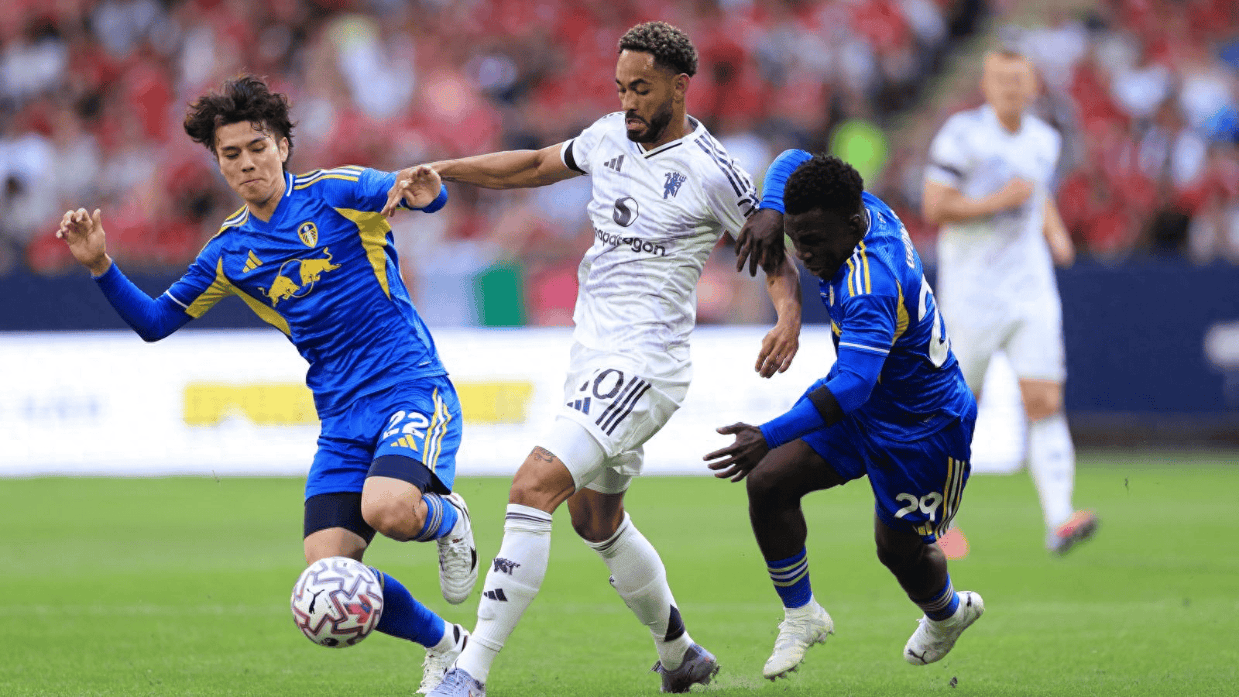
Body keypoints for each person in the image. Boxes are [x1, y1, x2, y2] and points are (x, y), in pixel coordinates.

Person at [412, 21, 802, 697]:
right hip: (591, 355)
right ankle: (679, 653)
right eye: (621, 87)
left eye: (641, 89)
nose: (627, 102)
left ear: (679, 87)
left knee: (532, 486)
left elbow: (771, 254)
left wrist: (788, 316)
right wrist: (444, 170)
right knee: (595, 519)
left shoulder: (711, 170)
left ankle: (468, 674)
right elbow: (535, 165)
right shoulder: (606, 136)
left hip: (645, 364)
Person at [56, 75, 478, 694]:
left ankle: (448, 517)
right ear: (218, 163)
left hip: (409, 386)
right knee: (326, 575)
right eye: (231, 154)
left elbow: (414, 192)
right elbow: (154, 323)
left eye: (258, 147)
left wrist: (427, 192)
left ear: (282, 146)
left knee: (387, 509)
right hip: (341, 419)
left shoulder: (335, 192)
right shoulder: (228, 253)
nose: (247, 162)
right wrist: (100, 265)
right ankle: (447, 645)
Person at [707, 151, 982, 680]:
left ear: (854, 226)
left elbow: (853, 387)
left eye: (814, 242)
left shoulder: (869, 284)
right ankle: (801, 615)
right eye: (797, 238)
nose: (804, 254)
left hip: (922, 428)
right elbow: (793, 158)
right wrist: (771, 210)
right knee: (769, 482)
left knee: (897, 551)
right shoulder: (856, 207)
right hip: (869, 404)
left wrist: (767, 433)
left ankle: (948, 613)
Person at [922, 49, 1097, 557]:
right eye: (1001, 79)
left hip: (1029, 289)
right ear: (986, 84)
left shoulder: (1044, 139)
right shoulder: (962, 135)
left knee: (1044, 400)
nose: (1011, 88)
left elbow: (1036, 194)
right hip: (973, 293)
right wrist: (999, 201)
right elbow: (935, 205)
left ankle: (1060, 518)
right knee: (956, 408)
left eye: (1019, 80)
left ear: (1033, 86)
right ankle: (933, 520)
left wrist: (1055, 232)